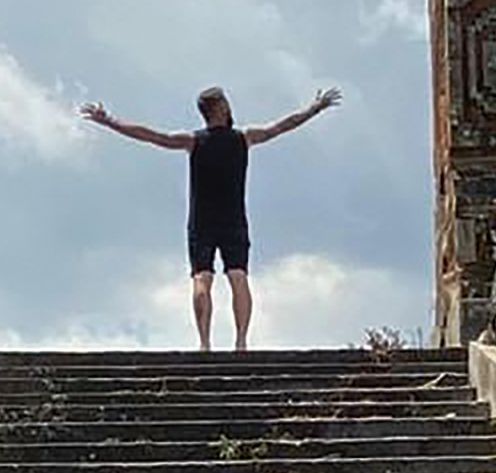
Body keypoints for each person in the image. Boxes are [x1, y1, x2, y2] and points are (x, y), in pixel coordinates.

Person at [79, 86, 342, 351]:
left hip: (201, 220)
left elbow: (151, 136)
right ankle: (241, 342)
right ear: (223, 108)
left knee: (202, 277)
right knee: (238, 275)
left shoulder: (193, 141)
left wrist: (109, 120)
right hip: (234, 219)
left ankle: (204, 343)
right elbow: (282, 126)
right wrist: (315, 107)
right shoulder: (243, 138)